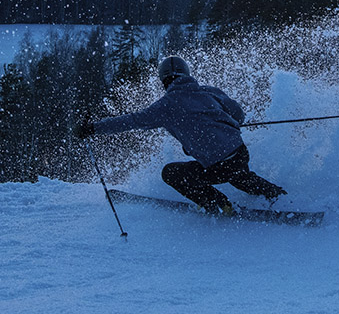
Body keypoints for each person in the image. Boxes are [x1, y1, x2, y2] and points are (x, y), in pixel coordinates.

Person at [74, 55, 286, 216]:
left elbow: (130, 121)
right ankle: (278, 196)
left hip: (216, 164)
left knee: (171, 173)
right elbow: (238, 115)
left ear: (164, 81)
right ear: (187, 74)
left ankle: (220, 205)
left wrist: (93, 128)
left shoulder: (164, 107)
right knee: (238, 176)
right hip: (239, 153)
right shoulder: (208, 91)